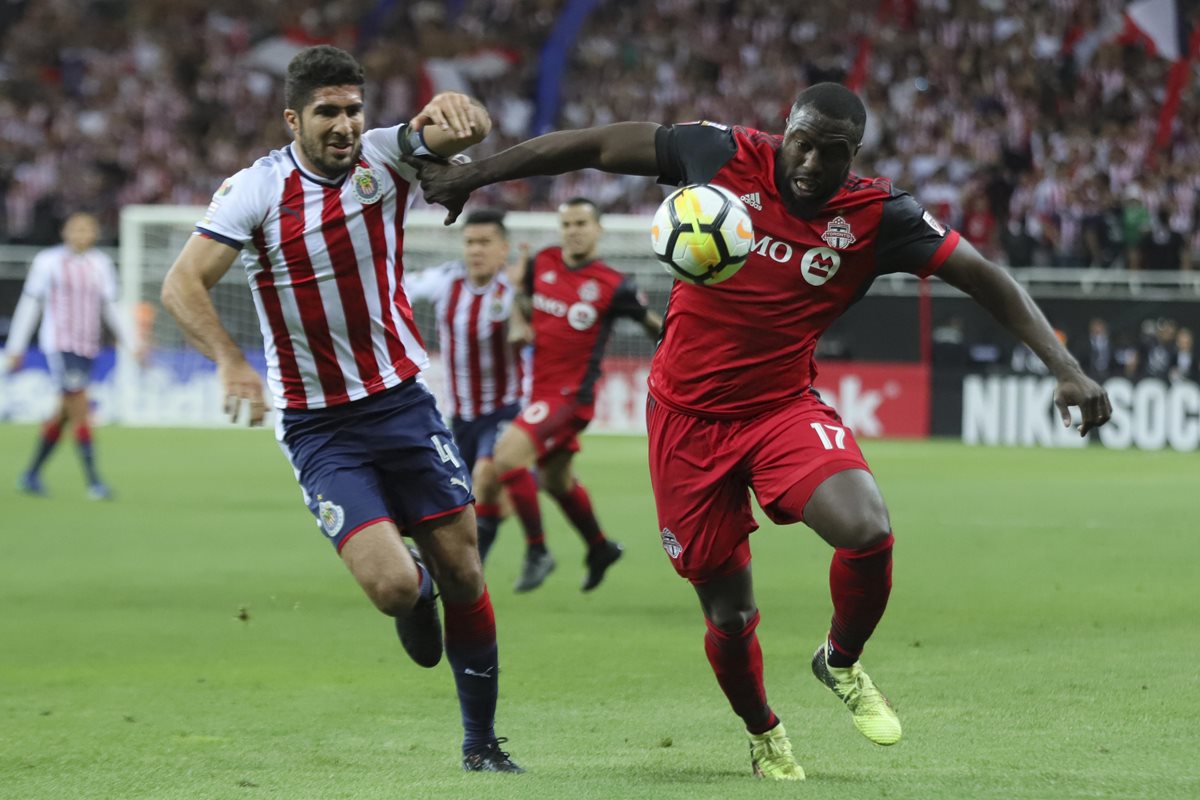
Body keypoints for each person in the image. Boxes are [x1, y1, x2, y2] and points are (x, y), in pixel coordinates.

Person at [405, 82, 1112, 780]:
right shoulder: (716, 153)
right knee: (731, 614)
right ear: (786, 129)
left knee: (867, 528)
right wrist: (477, 173)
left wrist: (1066, 366)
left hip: (781, 410)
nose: (811, 163)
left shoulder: (877, 215)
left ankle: (839, 660)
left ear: (853, 154)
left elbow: (981, 274)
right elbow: (593, 144)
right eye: (803, 143)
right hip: (684, 422)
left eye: (832, 153)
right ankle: (764, 733)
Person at [159, 45, 522, 773]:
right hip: (319, 424)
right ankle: (414, 597)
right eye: (328, 111)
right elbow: (181, 284)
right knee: (394, 588)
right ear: (294, 117)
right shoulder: (254, 191)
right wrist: (232, 361)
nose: (345, 124)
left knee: (468, 574)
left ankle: (481, 745)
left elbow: (457, 133)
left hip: (402, 402)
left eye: (353, 109)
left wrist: (469, 117)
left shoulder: (386, 156)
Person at [495, 197, 662, 593]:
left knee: (507, 460)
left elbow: (653, 326)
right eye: (567, 223)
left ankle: (538, 550)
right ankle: (600, 546)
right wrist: (519, 320)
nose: (573, 230)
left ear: (599, 229)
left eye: (581, 223)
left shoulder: (614, 284)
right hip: (541, 389)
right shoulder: (543, 262)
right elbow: (523, 302)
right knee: (555, 481)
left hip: (570, 396)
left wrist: (683, 344)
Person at [404, 208, 524, 562]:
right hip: (460, 416)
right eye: (470, 242)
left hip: (505, 409)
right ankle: (451, 558)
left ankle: (477, 565)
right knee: (458, 497)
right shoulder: (446, 281)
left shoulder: (514, 290)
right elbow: (397, 290)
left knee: (486, 476)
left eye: (485, 242)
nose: (476, 250)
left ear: (504, 249)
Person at [6, 212, 133, 499]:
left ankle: (31, 475)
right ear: (64, 232)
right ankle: (94, 481)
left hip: (88, 347)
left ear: (95, 234)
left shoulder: (100, 265)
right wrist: (16, 347)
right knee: (80, 407)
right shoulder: (47, 262)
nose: (81, 234)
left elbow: (111, 307)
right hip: (59, 346)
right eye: (75, 228)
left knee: (64, 413)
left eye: (87, 229)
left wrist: (131, 341)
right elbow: (30, 305)